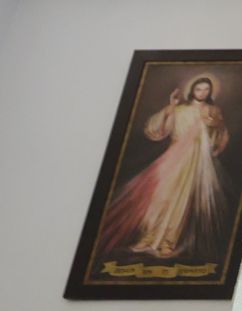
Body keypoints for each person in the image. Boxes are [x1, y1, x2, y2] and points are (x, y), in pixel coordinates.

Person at [96, 75, 230, 263]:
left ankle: (168, 242)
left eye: (206, 90)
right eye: (199, 89)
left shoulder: (212, 111)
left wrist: (213, 124)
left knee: (180, 201)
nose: (202, 93)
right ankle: (148, 238)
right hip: (173, 157)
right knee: (160, 196)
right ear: (192, 90)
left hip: (194, 161)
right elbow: (163, 130)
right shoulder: (181, 109)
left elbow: (220, 134)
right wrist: (172, 107)